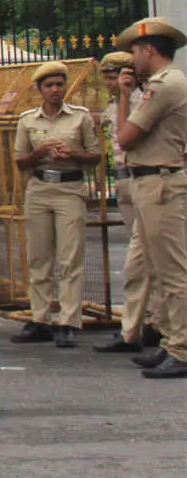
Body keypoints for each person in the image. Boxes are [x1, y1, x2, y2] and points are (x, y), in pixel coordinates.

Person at [111, 16, 187, 379]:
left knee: (173, 271)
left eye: (135, 53)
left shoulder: (166, 84)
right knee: (156, 267)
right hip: (148, 182)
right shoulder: (156, 84)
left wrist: (129, 99)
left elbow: (125, 137)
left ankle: (182, 347)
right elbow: (124, 137)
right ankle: (171, 341)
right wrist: (125, 94)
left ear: (148, 50)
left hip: (160, 181)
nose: (132, 61)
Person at [12, 61, 101, 348]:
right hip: (39, 188)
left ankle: (68, 320)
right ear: (39, 89)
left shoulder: (81, 117)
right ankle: (40, 318)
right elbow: (20, 162)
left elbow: (95, 156)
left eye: (59, 84)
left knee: (70, 257)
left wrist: (73, 153)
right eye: (48, 85)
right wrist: (40, 152)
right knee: (39, 257)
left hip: (70, 187)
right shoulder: (27, 120)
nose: (54, 90)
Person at [95, 51, 163, 353]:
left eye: (117, 77)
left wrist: (126, 94)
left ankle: (149, 325)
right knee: (141, 257)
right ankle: (143, 325)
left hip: (144, 180)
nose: (112, 83)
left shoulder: (143, 99)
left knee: (149, 258)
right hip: (125, 179)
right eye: (108, 78)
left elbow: (126, 137)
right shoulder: (115, 103)